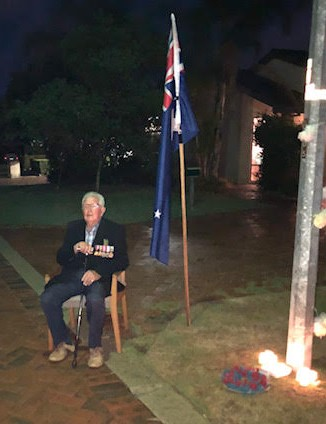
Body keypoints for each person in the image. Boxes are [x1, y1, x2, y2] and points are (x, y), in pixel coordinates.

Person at [40, 191, 129, 368]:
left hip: (99, 278)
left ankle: (95, 347)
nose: (88, 209)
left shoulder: (114, 230)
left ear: (102, 210)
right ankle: (63, 342)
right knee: (47, 298)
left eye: (93, 205)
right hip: (73, 276)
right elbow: (61, 258)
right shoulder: (74, 228)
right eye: (85, 206)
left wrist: (98, 272)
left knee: (95, 301)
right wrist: (73, 248)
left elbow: (122, 260)